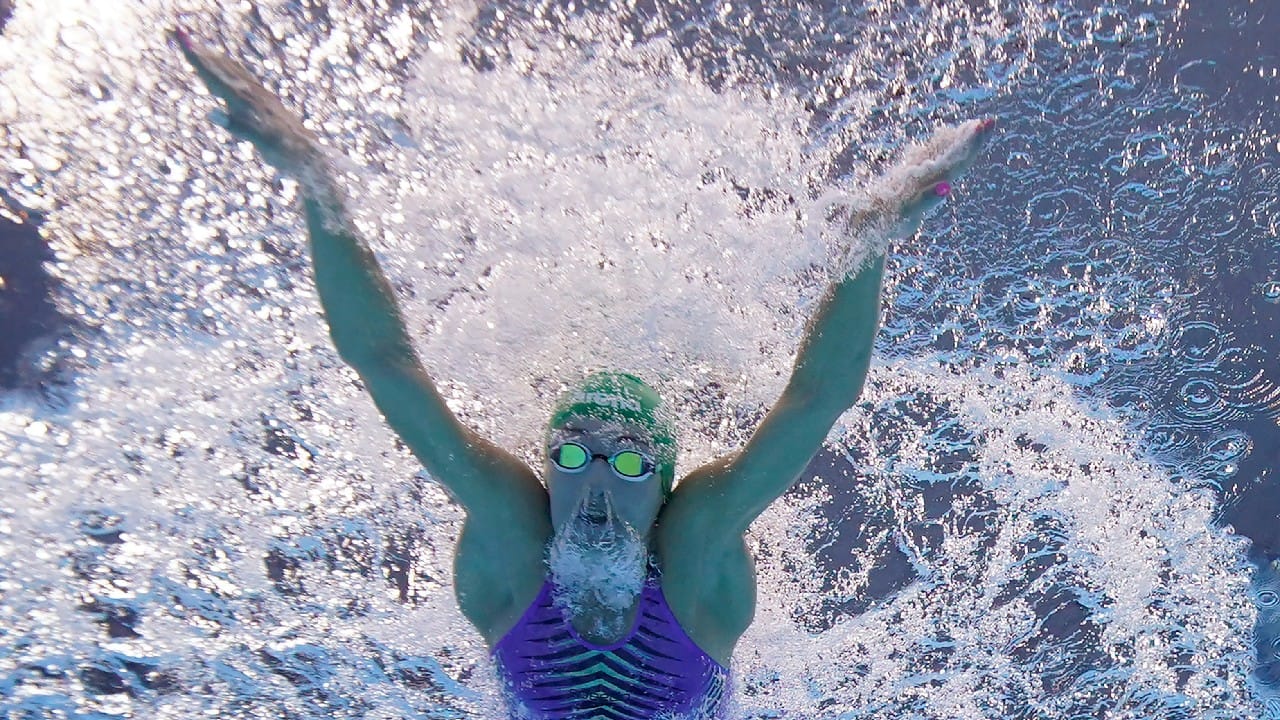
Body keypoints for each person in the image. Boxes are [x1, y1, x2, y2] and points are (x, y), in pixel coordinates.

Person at [176, 27, 993, 719]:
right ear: (544, 464)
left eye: (631, 458)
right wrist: (318, 182)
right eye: (574, 453)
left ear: (666, 482)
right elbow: (384, 365)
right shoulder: (511, 525)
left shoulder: (695, 544)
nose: (598, 479)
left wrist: (867, 242)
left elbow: (818, 401)